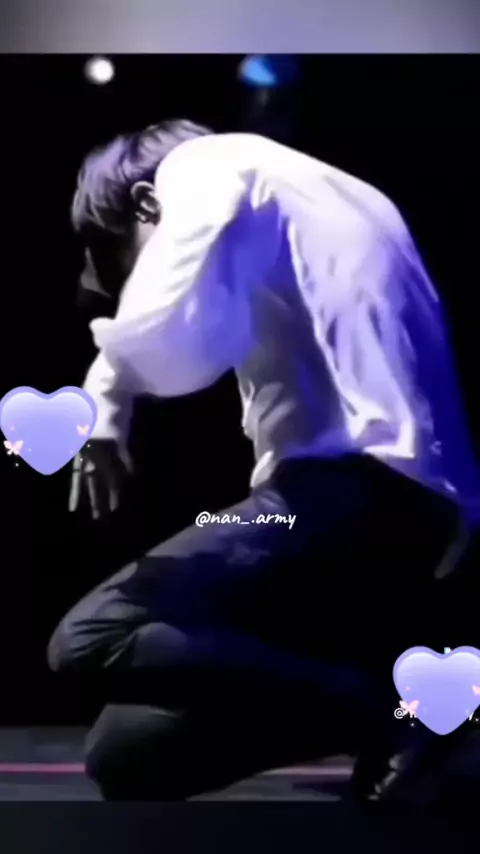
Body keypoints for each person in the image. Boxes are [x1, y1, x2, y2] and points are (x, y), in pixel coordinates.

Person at [47, 119, 480, 802]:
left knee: (89, 635)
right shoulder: (318, 198)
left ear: (147, 204)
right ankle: (386, 698)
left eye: (131, 257)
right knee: (127, 753)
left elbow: (164, 334)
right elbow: (208, 341)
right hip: (410, 518)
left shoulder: (207, 165)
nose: (137, 279)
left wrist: (105, 396)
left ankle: (387, 713)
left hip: (347, 496)